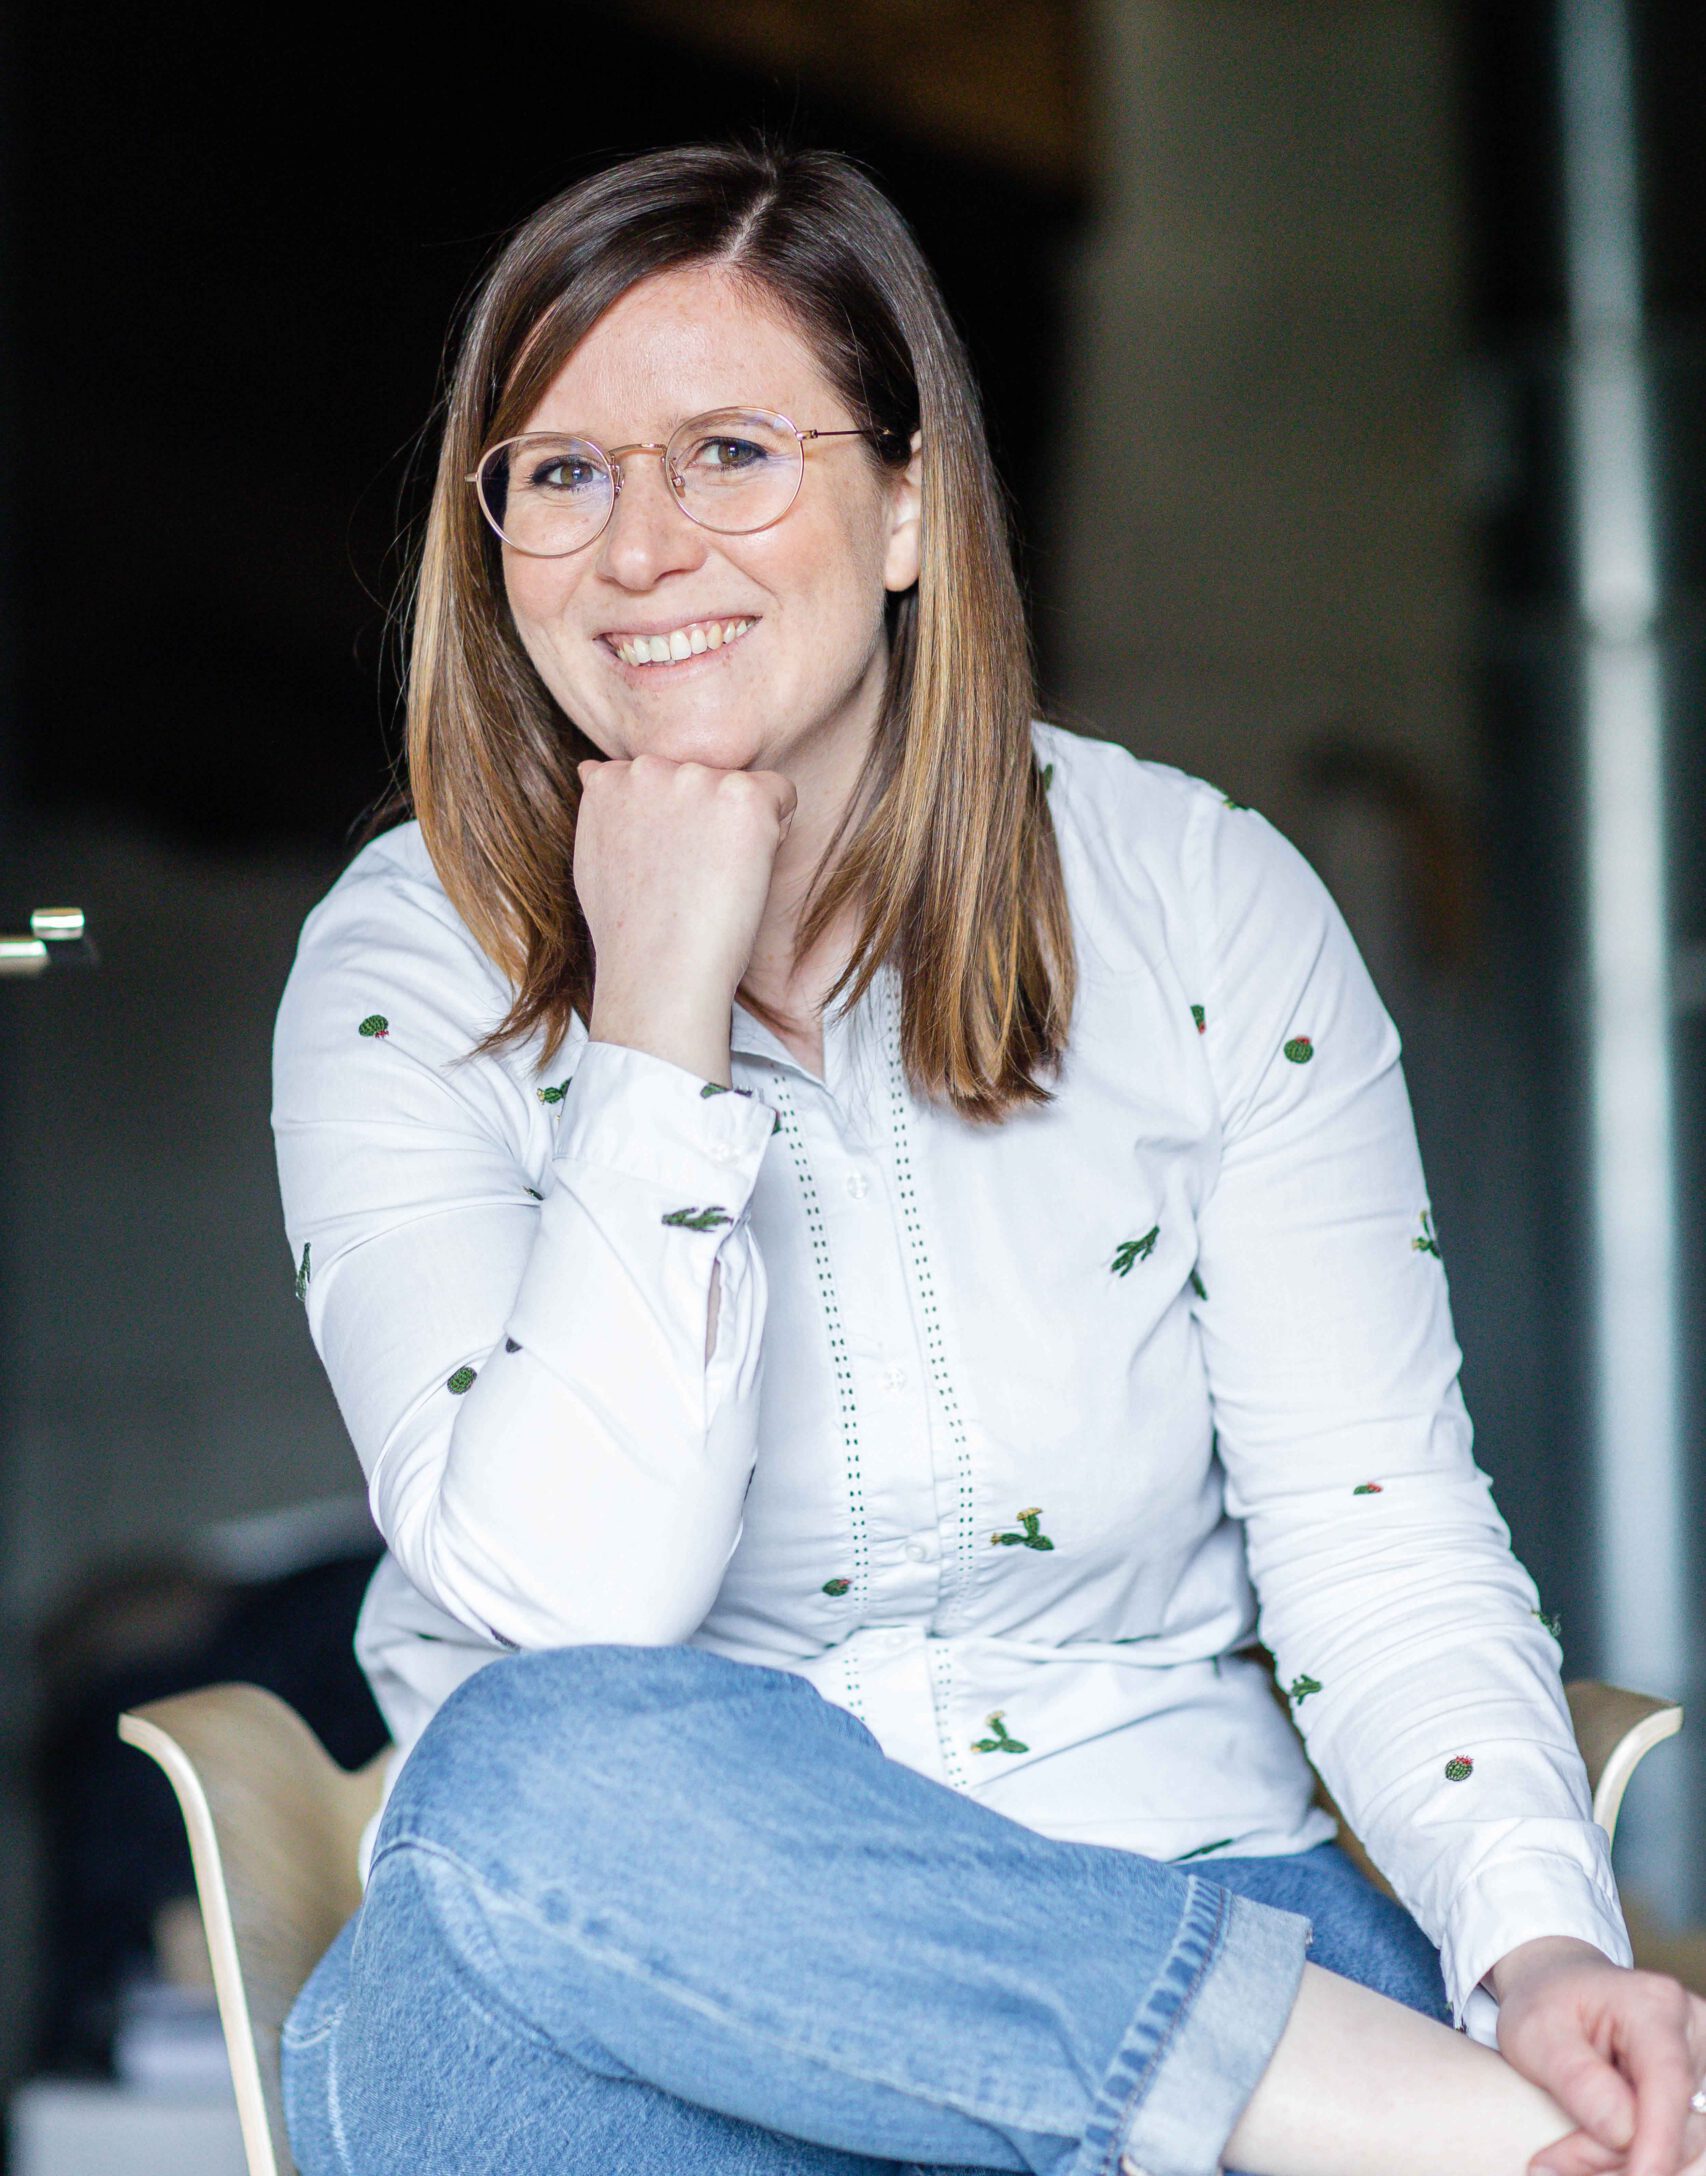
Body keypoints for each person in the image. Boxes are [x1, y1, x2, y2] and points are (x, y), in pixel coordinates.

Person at [269, 137, 1706, 2176]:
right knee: (521, 1767)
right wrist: (655, 1021)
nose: (640, 544)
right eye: (563, 473)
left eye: (731, 453)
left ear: (909, 503)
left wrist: (1539, 1953)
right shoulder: (406, 963)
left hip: (1190, 1876)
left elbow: (1371, 1523)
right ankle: (1395, 2122)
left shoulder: (1197, 903)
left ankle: (1279, 2072)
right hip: (632, 1949)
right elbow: (576, 1620)